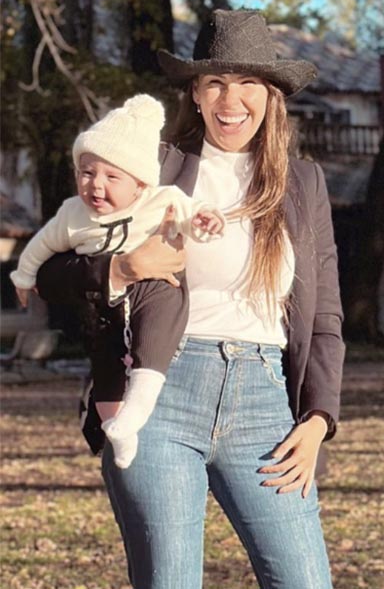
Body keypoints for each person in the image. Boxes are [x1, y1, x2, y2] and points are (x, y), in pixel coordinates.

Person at [35, 9, 344, 589]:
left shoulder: (305, 185)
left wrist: (320, 418)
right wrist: (122, 267)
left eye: (249, 83)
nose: (232, 100)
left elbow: (325, 314)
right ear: (196, 95)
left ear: (272, 96)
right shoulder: (150, 167)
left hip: (265, 407)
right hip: (159, 396)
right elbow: (51, 268)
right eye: (215, 83)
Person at [11, 94, 224, 469]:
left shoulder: (161, 199)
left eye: (112, 177)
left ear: (140, 184)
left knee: (155, 331)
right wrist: (23, 276)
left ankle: (135, 412)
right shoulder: (72, 214)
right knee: (106, 364)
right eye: (87, 172)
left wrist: (203, 223)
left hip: (154, 289)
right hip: (104, 305)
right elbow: (41, 247)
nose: (96, 185)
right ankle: (116, 429)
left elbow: (191, 219)